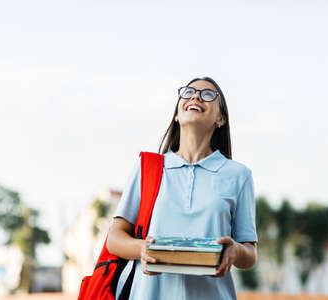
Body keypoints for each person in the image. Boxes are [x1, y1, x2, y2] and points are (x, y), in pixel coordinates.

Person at [107, 76, 258, 300]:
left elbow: (250, 254)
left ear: (221, 119)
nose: (195, 96)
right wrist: (142, 249)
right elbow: (114, 239)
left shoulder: (238, 175)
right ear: (177, 114)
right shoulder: (148, 168)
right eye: (188, 92)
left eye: (208, 95)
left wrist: (235, 250)